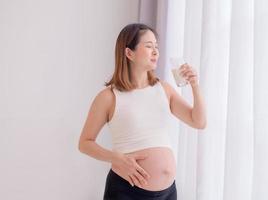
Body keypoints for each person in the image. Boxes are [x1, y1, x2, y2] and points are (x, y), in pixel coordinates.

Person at [78, 23, 206, 200]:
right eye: (148, 46)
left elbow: (198, 121)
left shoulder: (164, 89)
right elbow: (85, 143)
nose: (156, 52)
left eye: (156, 47)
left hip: (168, 192)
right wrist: (116, 158)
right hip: (126, 191)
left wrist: (195, 85)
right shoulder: (109, 97)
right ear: (129, 53)